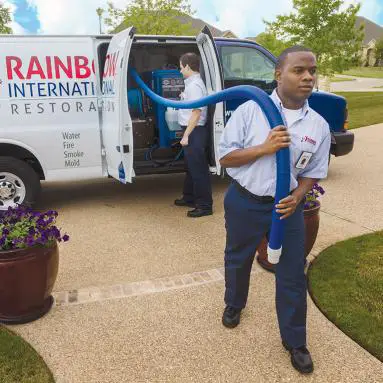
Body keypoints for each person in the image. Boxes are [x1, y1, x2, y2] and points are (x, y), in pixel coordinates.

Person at [218, 46, 331, 374]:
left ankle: (295, 341)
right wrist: (264, 148)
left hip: (287, 209)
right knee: (237, 259)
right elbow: (225, 157)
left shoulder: (319, 126)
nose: (308, 76)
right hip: (245, 201)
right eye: (299, 70)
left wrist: (298, 196)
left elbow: (314, 171)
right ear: (278, 74)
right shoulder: (250, 111)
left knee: (293, 273)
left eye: (312, 70)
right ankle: (234, 304)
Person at [174, 52, 213, 218]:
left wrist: (186, 135)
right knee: (190, 167)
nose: (180, 70)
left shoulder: (195, 85)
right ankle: (189, 197)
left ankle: (204, 206)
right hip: (191, 130)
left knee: (198, 170)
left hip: (195, 131)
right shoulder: (191, 84)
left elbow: (197, 113)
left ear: (188, 66)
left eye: (181, 67)